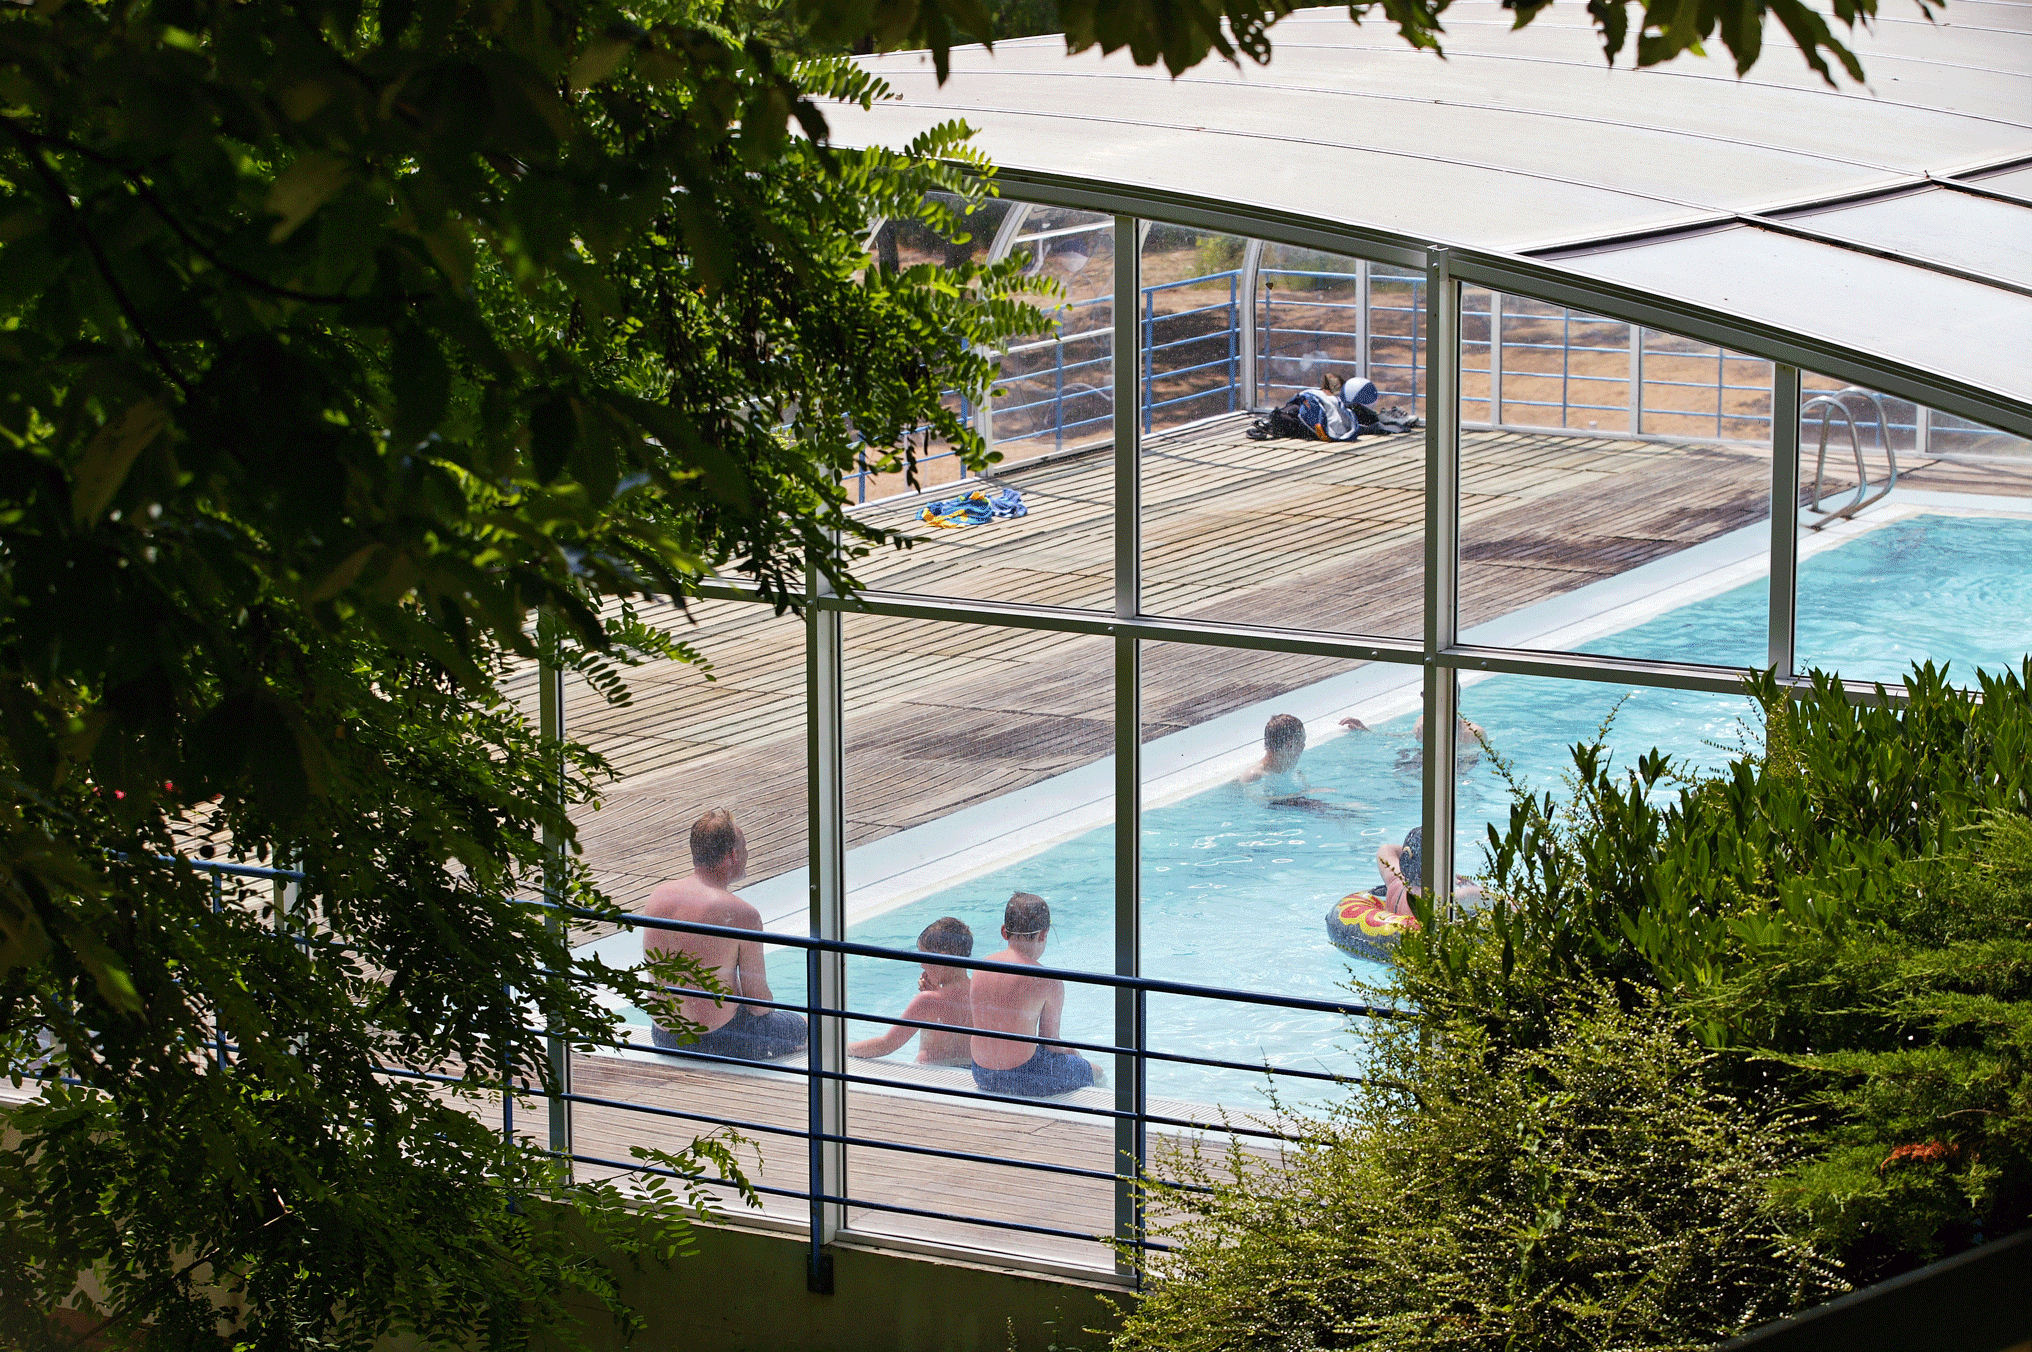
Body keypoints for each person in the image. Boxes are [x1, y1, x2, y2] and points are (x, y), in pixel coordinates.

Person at [641, 809, 807, 1061]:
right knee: (810, 1024)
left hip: (665, 1036)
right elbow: (758, 1003)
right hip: (720, 1041)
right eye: (745, 847)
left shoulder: (658, 897)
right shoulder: (742, 914)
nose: (748, 854)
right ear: (732, 856)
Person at [970, 894, 1102, 1098]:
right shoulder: (1046, 979)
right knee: (1095, 1072)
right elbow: (1051, 1042)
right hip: (1024, 1076)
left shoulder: (980, 967)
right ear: (1043, 935)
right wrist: (1074, 1054)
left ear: (1004, 931)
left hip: (982, 1073)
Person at [847, 917, 976, 1066]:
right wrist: (938, 993)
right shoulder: (979, 992)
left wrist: (840, 1049)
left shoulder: (927, 1001)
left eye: (923, 956)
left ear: (942, 957)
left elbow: (886, 1044)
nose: (921, 965)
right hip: (968, 1077)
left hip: (930, 1079)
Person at [1374, 826, 1484, 917]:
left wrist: (1413, 854)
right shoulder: (1435, 898)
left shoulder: (1396, 882)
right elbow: (1490, 897)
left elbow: (1385, 849)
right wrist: (1447, 875)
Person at [1339, 712, 1485, 771]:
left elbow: (1467, 766)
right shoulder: (1423, 721)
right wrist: (1366, 731)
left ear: (1456, 701)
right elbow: (1401, 737)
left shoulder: (1473, 733)